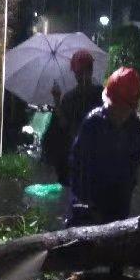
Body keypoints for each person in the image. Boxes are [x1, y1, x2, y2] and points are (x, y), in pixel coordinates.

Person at [68, 66, 140, 228]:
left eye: (123, 109)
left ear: (132, 107)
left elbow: (132, 173)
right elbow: (78, 167)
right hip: (87, 200)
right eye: (113, 107)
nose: (117, 113)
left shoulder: (136, 130)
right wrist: (86, 205)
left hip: (117, 203)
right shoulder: (92, 123)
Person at [42, 49, 104, 185]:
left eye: (82, 71)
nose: (81, 75)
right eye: (80, 72)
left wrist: (57, 101)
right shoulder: (101, 94)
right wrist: (57, 100)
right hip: (90, 156)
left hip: (84, 155)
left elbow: (63, 124)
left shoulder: (74, 97)